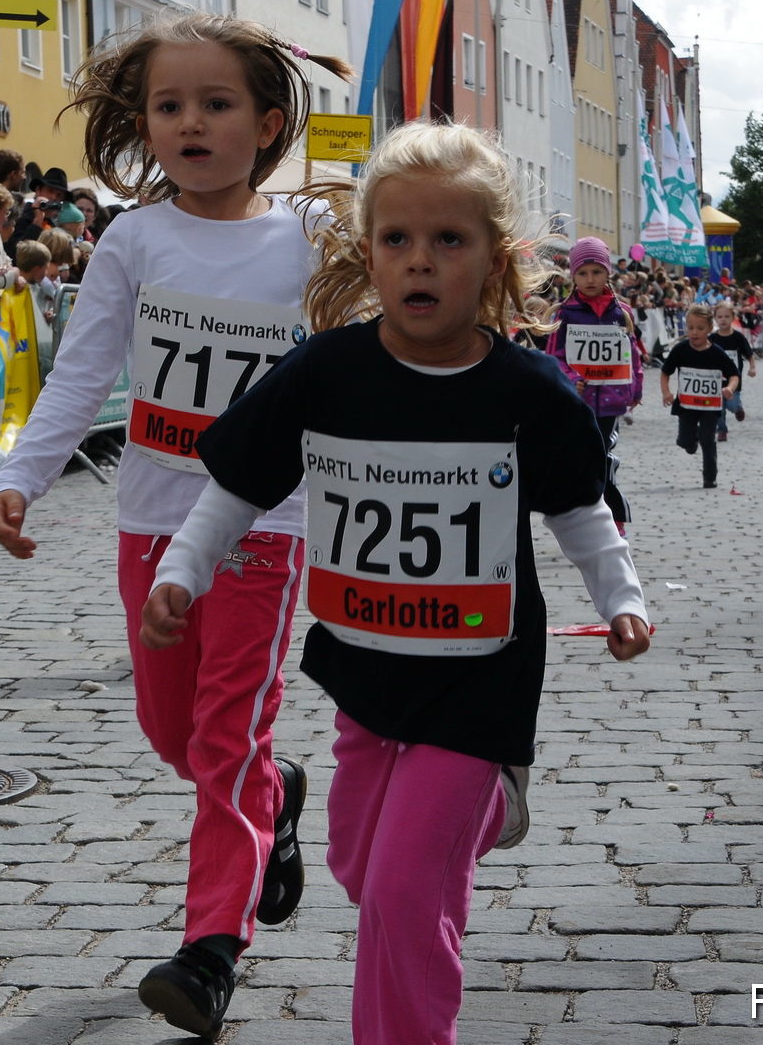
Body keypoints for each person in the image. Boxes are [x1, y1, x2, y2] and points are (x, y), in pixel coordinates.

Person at [140, 121, 649, 1045]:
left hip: (479, 680)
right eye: (397, 240)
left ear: (494, 261)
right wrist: (184, 566)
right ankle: (494, 806)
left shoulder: (531, 392)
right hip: (366, 672)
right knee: (362, 869)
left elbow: (581, 510)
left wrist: (620, 598)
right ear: (367, 253)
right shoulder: (326, 373)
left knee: (407, 895)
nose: (421, 262)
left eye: (448, 241)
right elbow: (238, 483)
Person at [0, 13, 351, 1040]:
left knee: (222, 734)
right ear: (142, 124)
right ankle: (274, 792)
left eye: (216, 103)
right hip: (149, 521)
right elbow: (83, 372)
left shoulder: (308, 238)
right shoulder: (133, 239)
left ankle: (210, 950)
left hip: (265, 527)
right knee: (173, 732)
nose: (191, 123)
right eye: (169, 106)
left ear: (268, 122)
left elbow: (353, 365)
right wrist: (24, 475)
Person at [544, 236, 641, 533]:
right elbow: (554, 356)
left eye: (596, 271)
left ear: (608, 273)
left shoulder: (620, 312)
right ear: (573, 276)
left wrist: (635, 387)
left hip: (611, 400)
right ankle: (579, 515)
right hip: (577, 400)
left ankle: (614, 519)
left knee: (602, 456)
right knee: (578, 458)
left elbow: (632, 352)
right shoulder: (565, 313)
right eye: (583, 273)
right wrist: (572, 380)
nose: (590, 279)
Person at [661, 303, 740, 488]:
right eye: (690, 328)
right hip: (686, 405)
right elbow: (665, 372)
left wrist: (730, 387)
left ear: (709, 329)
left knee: (708, 440)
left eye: (700, 328)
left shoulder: (716, 352)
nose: (694, 332)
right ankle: (690, 441)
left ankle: (710, 477)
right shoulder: (680, 350)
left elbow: (734, 374)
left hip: (709, 406)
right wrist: (666, 392)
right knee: (684, 441)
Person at [709, 299, 755, 442]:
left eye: (727, 316)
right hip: (716, 380)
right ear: (715, 318)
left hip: (733, 380)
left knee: (732, 403)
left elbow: (748, 353)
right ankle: (721, 430)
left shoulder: (737, 337)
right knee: (718, 408)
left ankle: (738, 409)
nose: (723, 320)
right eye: (720, 317)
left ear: (733, 318)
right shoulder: (712, 338)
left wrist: (752, 367)